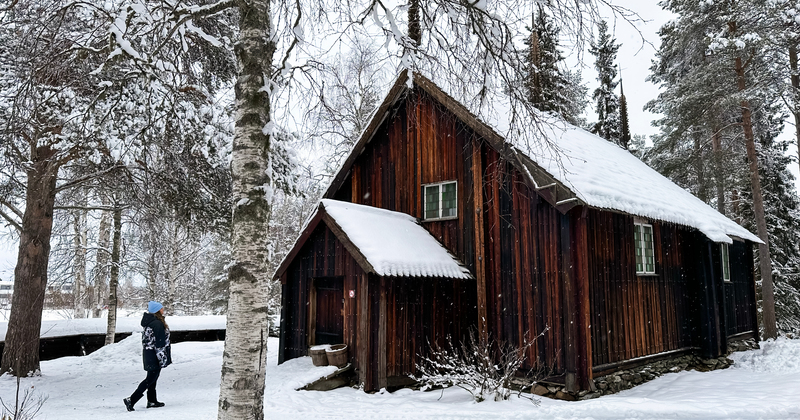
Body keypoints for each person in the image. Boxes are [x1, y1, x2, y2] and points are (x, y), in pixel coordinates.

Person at [124, 301, 172, 411]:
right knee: (150, 379)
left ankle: (152, 401)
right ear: (157, 310)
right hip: (155, 354)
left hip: (149, 353)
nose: (163, 310)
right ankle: (131, 399)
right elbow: (159, 343)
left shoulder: (150, 322)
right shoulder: (157, 324)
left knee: (152, 378)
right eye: (161, 308)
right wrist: (162, 358)